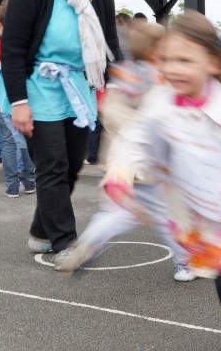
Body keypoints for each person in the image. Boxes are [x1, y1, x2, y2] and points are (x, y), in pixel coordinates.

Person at [105, 10, 221, 349]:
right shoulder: (160, 101)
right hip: (200, 209)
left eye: (185, 60)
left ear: (214, 64)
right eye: (167, 59)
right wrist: (121, 171)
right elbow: (137, 137)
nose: (173, 68)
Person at [0, 0, 121, 260]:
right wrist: (19, 102)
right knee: (51, 163)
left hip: (77, 83)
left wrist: (118, 89)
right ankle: (65, 242)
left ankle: (41, 232)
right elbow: (13, 49)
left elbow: (110, 43)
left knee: (72, 164)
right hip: (36, 83)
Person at [55, 22, 195, 282]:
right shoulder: (160, 78)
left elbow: (110, 112)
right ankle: (185, 263)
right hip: (149, 162)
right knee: (168, 215)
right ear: (156, 51)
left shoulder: (123, 75)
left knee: (115, 213)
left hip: (120, 159)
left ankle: (90, 241)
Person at [0, 3, 37, 198]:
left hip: (4, 101)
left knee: (9, 143)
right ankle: (29, 181)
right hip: (29, 99)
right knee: (26, 141)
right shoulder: (32, 42)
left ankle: (12, 185)